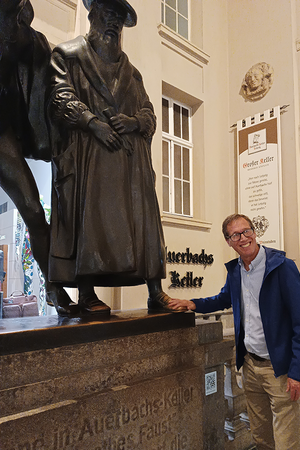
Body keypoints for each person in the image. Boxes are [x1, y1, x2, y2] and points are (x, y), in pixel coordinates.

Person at [169, 214, 300, 450]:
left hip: (281, 371)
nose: (242, 238)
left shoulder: (282, 267)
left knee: (288, 449)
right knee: (263, 441)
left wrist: (299, 371)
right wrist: (192, 303)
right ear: (228, 241)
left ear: (254, 232)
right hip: (251, 367)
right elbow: (223, 299)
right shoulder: (236, 271)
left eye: (246, 231)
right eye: (235, 235)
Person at [47, 0, 178, 314]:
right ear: (92, 17)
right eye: (108, 16)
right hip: (89, 156)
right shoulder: (69, 56)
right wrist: (92, 123)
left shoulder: (132, 73)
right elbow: (58, 95)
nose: (113, 25)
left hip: (132, 164)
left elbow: (149, 112)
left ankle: (155, 291)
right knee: (87, 218)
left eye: (118, 20)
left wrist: (134, 122)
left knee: (145, 221)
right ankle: (86, 293)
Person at [0, 0, 79, 315]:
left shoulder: (30, 41)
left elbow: (53, 84)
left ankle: (54, 288)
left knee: (34, 212)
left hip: (2, 132)